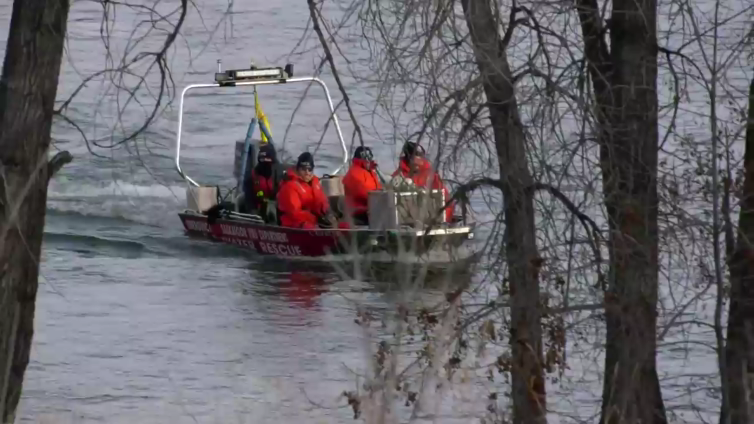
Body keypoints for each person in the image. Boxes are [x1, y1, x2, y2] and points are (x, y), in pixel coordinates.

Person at [277, 152, 344, 229]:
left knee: (341, 224)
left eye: (310, 169)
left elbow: (321, 201)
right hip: (294, 224)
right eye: (303, 169)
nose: (307, 173)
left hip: (313, 220)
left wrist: (327, 213)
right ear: (298, 169)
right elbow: (294, 213)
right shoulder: (289, 186)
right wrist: (315, 219)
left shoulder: (315, 182)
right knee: (312, 228)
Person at [392, 141, 454, 223]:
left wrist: (444, 219)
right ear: (408, 157)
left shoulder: (431, 176)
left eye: (421, 156)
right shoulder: (398, 177)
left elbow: (447, 201)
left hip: (432, 221)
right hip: (406, 222)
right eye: (416, 156)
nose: (419, 160)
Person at [242, 143, 285, 222]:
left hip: (280, 212)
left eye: (268, 159)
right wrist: (254, 214)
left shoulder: (281, 174)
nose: (265, 162)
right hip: (259, 214)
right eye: (262, 159)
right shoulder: (252, 177)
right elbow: (249, 200)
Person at [342, 146, 383, 225]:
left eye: (370, 158)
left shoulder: (370, 172)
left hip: (371, 210)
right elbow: (366, 195)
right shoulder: (354, 174)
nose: (369, 161)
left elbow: (377, 189)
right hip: (359, 214)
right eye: (367, 158)